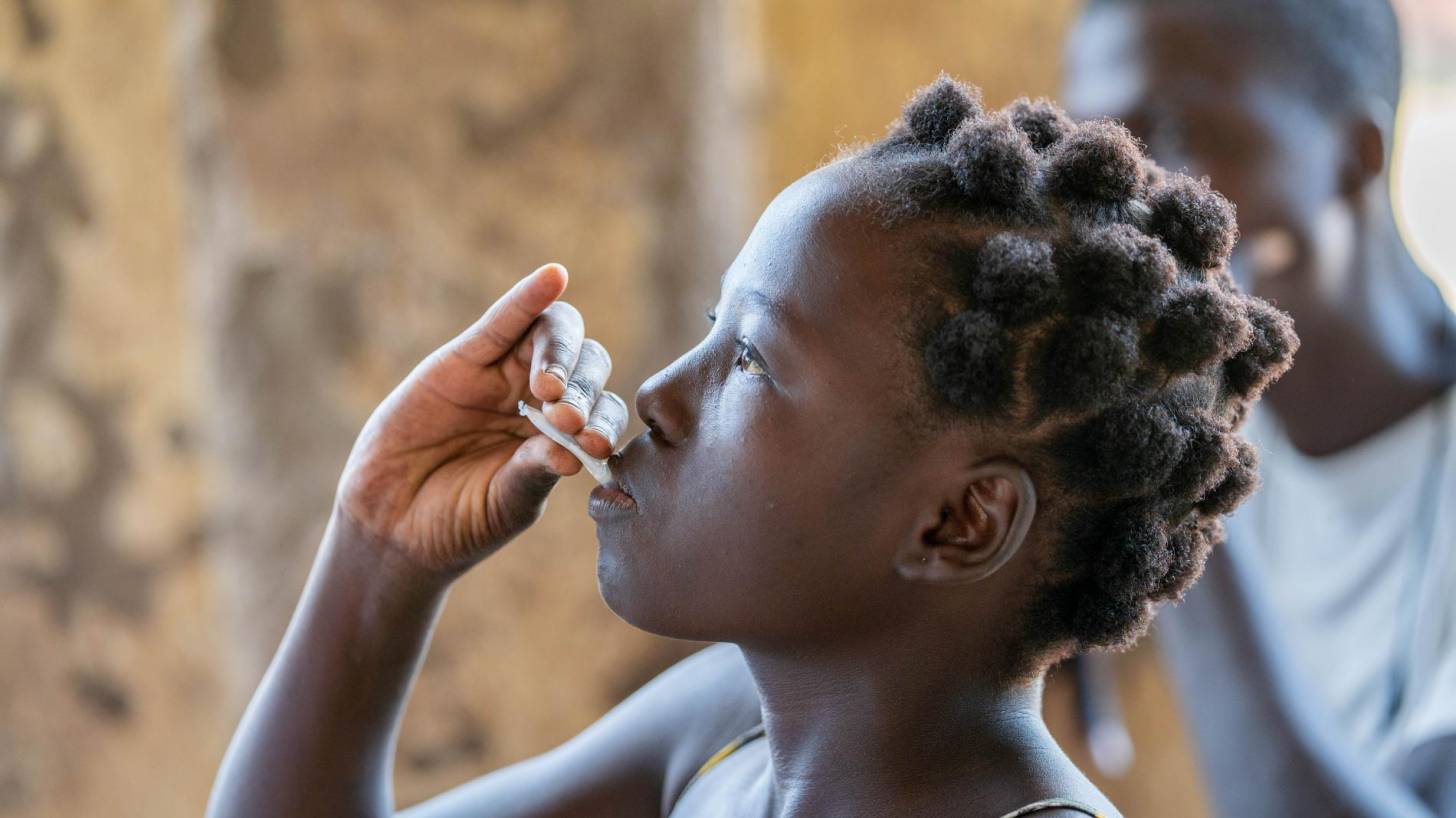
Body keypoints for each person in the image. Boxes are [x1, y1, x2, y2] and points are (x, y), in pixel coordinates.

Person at [204, 78, 1294, 818]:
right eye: (712, 332)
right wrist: (380, 551)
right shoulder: (732, 730)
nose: (659, 394)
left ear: (959, 520)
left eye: (753, 364)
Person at [1064, 1, 1456, 815]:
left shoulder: (1183, 415)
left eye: (1174, 134)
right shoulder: (1243, 421)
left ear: (1354, 157)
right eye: (1095, 154)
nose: (1122, 209)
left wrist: (1164, 468)